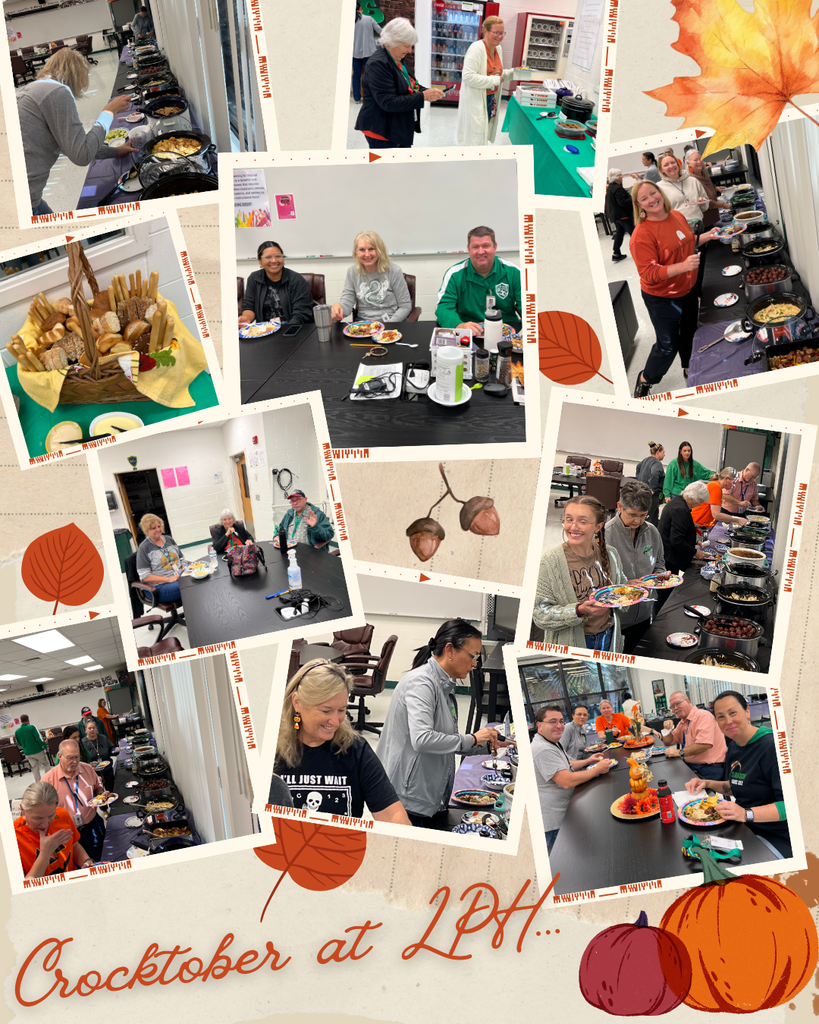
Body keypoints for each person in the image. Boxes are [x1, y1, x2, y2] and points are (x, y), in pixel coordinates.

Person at [377, 619, 506, 826]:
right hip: (407, 798)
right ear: (450, 650)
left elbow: (447, 740)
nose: (474, 664)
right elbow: (422, 739)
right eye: (472, 656)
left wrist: (487, 744)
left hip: (430, 794)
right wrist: (472, 738)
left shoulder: (443, 685)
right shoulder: (422, 683)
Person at [273, 660, 410, 823]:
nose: (336, 722)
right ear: (297, 702)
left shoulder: (356, 749)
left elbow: (391, 814)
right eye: (326, 710)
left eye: (341, 710)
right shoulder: (271, 750)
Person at [17, 49, 139, 216]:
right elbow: (82, 155)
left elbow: (72, 144)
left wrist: (116, 151)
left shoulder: (32, 89)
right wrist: (108, 112)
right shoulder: (57, 91)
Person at [629, 181, 720, 397]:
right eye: (645, 198)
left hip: (687, 290)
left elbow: (687, 243)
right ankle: (646, 378)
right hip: (662, 298)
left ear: (660, 192)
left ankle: (689, 368)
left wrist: (709, 235)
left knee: (689, 332)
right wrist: (683, 266)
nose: (652, 199)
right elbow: (648, 273)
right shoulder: (641, 235)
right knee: (668, 346)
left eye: (654, 193)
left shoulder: (677, 216)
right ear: (638, 205)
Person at [686, 691, 791, 858]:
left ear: (747, 711)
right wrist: (706, 783)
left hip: (775, 836)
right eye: (721, 717)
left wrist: (745, 814)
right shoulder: (734, 747)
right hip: (744, 829)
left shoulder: (772, 747)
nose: (728, 721)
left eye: (733, 713)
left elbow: (790, 806)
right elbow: (736, 786)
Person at [533, 496, 629, 653]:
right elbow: (540, 614)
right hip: (570, 645)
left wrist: (633, 588)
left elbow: (621, 586)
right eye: (568, 519)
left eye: (583, 522)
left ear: (598, 527)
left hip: (608, 638)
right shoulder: (550, 562)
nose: (573, 527)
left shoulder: (611, 554)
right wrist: (578, 610)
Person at [355, 18, 444, 148]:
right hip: (382, 130)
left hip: (398, 126)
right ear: (391, 42)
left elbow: (410, 84)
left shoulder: (398, 57)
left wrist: (426, 91)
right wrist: (423, 96)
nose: (410, 50)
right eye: (406, 46)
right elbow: (389, 102)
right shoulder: (378, 64)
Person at [532, 705, 611, 852]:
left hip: (566, 812)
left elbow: (567, 765)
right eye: (553, 721)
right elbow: (566, 780)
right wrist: (596, 770)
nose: (559, 726)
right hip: (555, 824)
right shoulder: (543, 749)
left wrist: (589, 761)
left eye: (561, 721)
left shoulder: (551, 742)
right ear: (539, 725)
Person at [603, 479, 666, 653]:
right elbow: (598, 580)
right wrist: (623, 585)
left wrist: (659, 577)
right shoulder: (604, 536)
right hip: (616, 619)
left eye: (643, 515)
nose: (638, 520)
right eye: (632, 514)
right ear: (619, 506)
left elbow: (659, 563)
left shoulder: (652, 532)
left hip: (645, 614)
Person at [435, 225, 522, 336]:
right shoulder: (454, 274)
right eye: (475, 247)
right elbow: (443, 308)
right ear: (468, 249)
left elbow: (529, 307)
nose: (481, 252)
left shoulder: (515, 273)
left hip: (506, 333)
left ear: (495, 246)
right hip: (469, 334)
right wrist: (459, 325)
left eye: (486, 246)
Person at [41, 740, 106, 863]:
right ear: (60, 756)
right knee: (77, 867)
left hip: (92, 824)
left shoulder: (87, 769)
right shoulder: (48, 780)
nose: (75, 762)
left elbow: (98, 786)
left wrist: (101, 795)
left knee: (100, 859)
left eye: (77, 757)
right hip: (67, 833)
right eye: (70, 758)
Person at [14, 781, 94, 879]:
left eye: (51, 815)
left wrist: (86, 861)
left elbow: (74, 844)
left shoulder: (62, 815)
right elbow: (23, 887)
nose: (45, 824)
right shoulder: (12, 838)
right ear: (23, 810)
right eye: (38, 818)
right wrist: (45, 853)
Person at [456, 16, 515, 146]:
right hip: (477, 99)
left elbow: (496, 73)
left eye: (502, 33)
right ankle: (472, 162)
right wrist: (495, 80)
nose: (500, 36)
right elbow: (468, 76)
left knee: (483, 131)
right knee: (474, 136)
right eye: (496, 32)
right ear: (486, 31)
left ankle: (480, 158)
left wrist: (512, 73)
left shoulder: (498, 48)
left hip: (490, 98)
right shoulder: (477, 48)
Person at [330, 232, 412, 324]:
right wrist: (339, 308)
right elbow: (347, 304)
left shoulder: (394, 271)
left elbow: (405, 306)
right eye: (362, 249)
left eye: (371, 249)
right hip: (364, 323)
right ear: (356, 252)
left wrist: (391, 322)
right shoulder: (352, 272)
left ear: (379, 250)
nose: (367, 254)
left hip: (390, 321)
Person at [651, 691, 727, 780]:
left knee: (670, 781)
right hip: (694, 766)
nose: (675, 708)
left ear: (688, 701)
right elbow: (669, 741)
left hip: (709, 769)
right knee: (663, 774)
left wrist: (679, 752)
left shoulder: (703, 716)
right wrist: (667, 730)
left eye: (678, 703)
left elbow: (704, 744)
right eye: (672, 706)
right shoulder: (683, 721)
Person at [238, 241, 314, 329]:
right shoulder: (254, 278)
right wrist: (246, 318)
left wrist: (286, 330)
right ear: (260, 261)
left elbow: (301, 313)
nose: (274, 260)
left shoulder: (296, 280)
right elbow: (249, 307)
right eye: (268, 257)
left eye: (278, 256)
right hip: (265, 329)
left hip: (293, 328)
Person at [659, 480, 710, 573]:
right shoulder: (680, 510)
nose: (700, 504)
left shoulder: (678, 501)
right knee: (669, 584)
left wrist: (693, 540)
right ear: (693, 498)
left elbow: (680, 530)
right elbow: (676, 540)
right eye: (700, 501)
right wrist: (695, 552)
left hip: (667, 553)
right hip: (669, 557)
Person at [136, 513, 185, 604]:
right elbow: (144, 576)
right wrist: (169, 579)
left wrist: (184, 569)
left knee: (198, 577)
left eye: (159, 526)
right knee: (190, 585)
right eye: (153, 528)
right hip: (159, 586)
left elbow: (181, 558)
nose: (158, 530)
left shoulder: (169, 539)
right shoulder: (144, 548)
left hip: (179, 577)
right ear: (146, 531)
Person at [656, 152, 711, 229]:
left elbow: (705, 207)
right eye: (666, 165)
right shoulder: (659, 188)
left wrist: (703, 203)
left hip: (699, 228)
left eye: (673, 162)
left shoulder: (693, 181)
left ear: (677, 164)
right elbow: (660, 214)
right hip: (678, 231)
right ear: (661, 170)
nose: (671, 166)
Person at [685, 149, 731, 229]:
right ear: (688, 163)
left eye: (700, 159)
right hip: (705, 222)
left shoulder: (703, 173)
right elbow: (706, 202)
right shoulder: (691, 180)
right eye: (695, 160)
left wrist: (716, 188)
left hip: (713, 217)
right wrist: (723, 205)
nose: (699, 162)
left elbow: (705, 188)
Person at [352, 3, 381, 102]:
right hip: (369, 52)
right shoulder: (369, 19)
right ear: (360, 8)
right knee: (370, 75)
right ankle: (369, 97)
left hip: (355, 53)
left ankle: (356, 98)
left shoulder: (350, 20)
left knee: (356, 75)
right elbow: (380, 31)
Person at [605, 169, 635, 262]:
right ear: (616, 177)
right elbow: (622, 202)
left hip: (616, 216)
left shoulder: (610, 187)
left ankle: (616, 253)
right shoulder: (618, 189)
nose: (622, 176)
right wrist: (632, 197)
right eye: (620, 175)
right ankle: (640, 252)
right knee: (634, 234)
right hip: (623, 215)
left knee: (619, 233)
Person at [635, 441, 666, 526]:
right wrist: (652, 488)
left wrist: (639, 480)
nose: (664, 455)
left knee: (654, 516)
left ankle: (654, 534)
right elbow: (655, 473)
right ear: (657, 452)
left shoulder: (646, 460)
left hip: (643, 491)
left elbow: (638, 467)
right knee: (648, 518)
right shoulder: (657, 463)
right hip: (652, 495)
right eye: (663, 452)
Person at [81, 720, 115, 791]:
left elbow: (112, 749)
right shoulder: (83, 743)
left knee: (112, 791)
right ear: (85, 730)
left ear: (96, 728)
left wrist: (115, 750)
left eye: (93, 728)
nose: (92, 730)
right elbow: (82, 760)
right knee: (100, 795)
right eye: (89, 728)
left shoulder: (103, 738)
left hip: (108, 770)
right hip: (93, 774)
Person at [14, 715, 48, 782]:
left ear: (21, 721)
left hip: (27, 753)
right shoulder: (32, 727)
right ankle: (48, 780)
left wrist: (25, 746)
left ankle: (38, 783)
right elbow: (39, 738)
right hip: (37, 751)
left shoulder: (17, 731)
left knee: (34, 768)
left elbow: (19, 743)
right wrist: (45, 746)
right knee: (46, 764)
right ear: (28, 720)